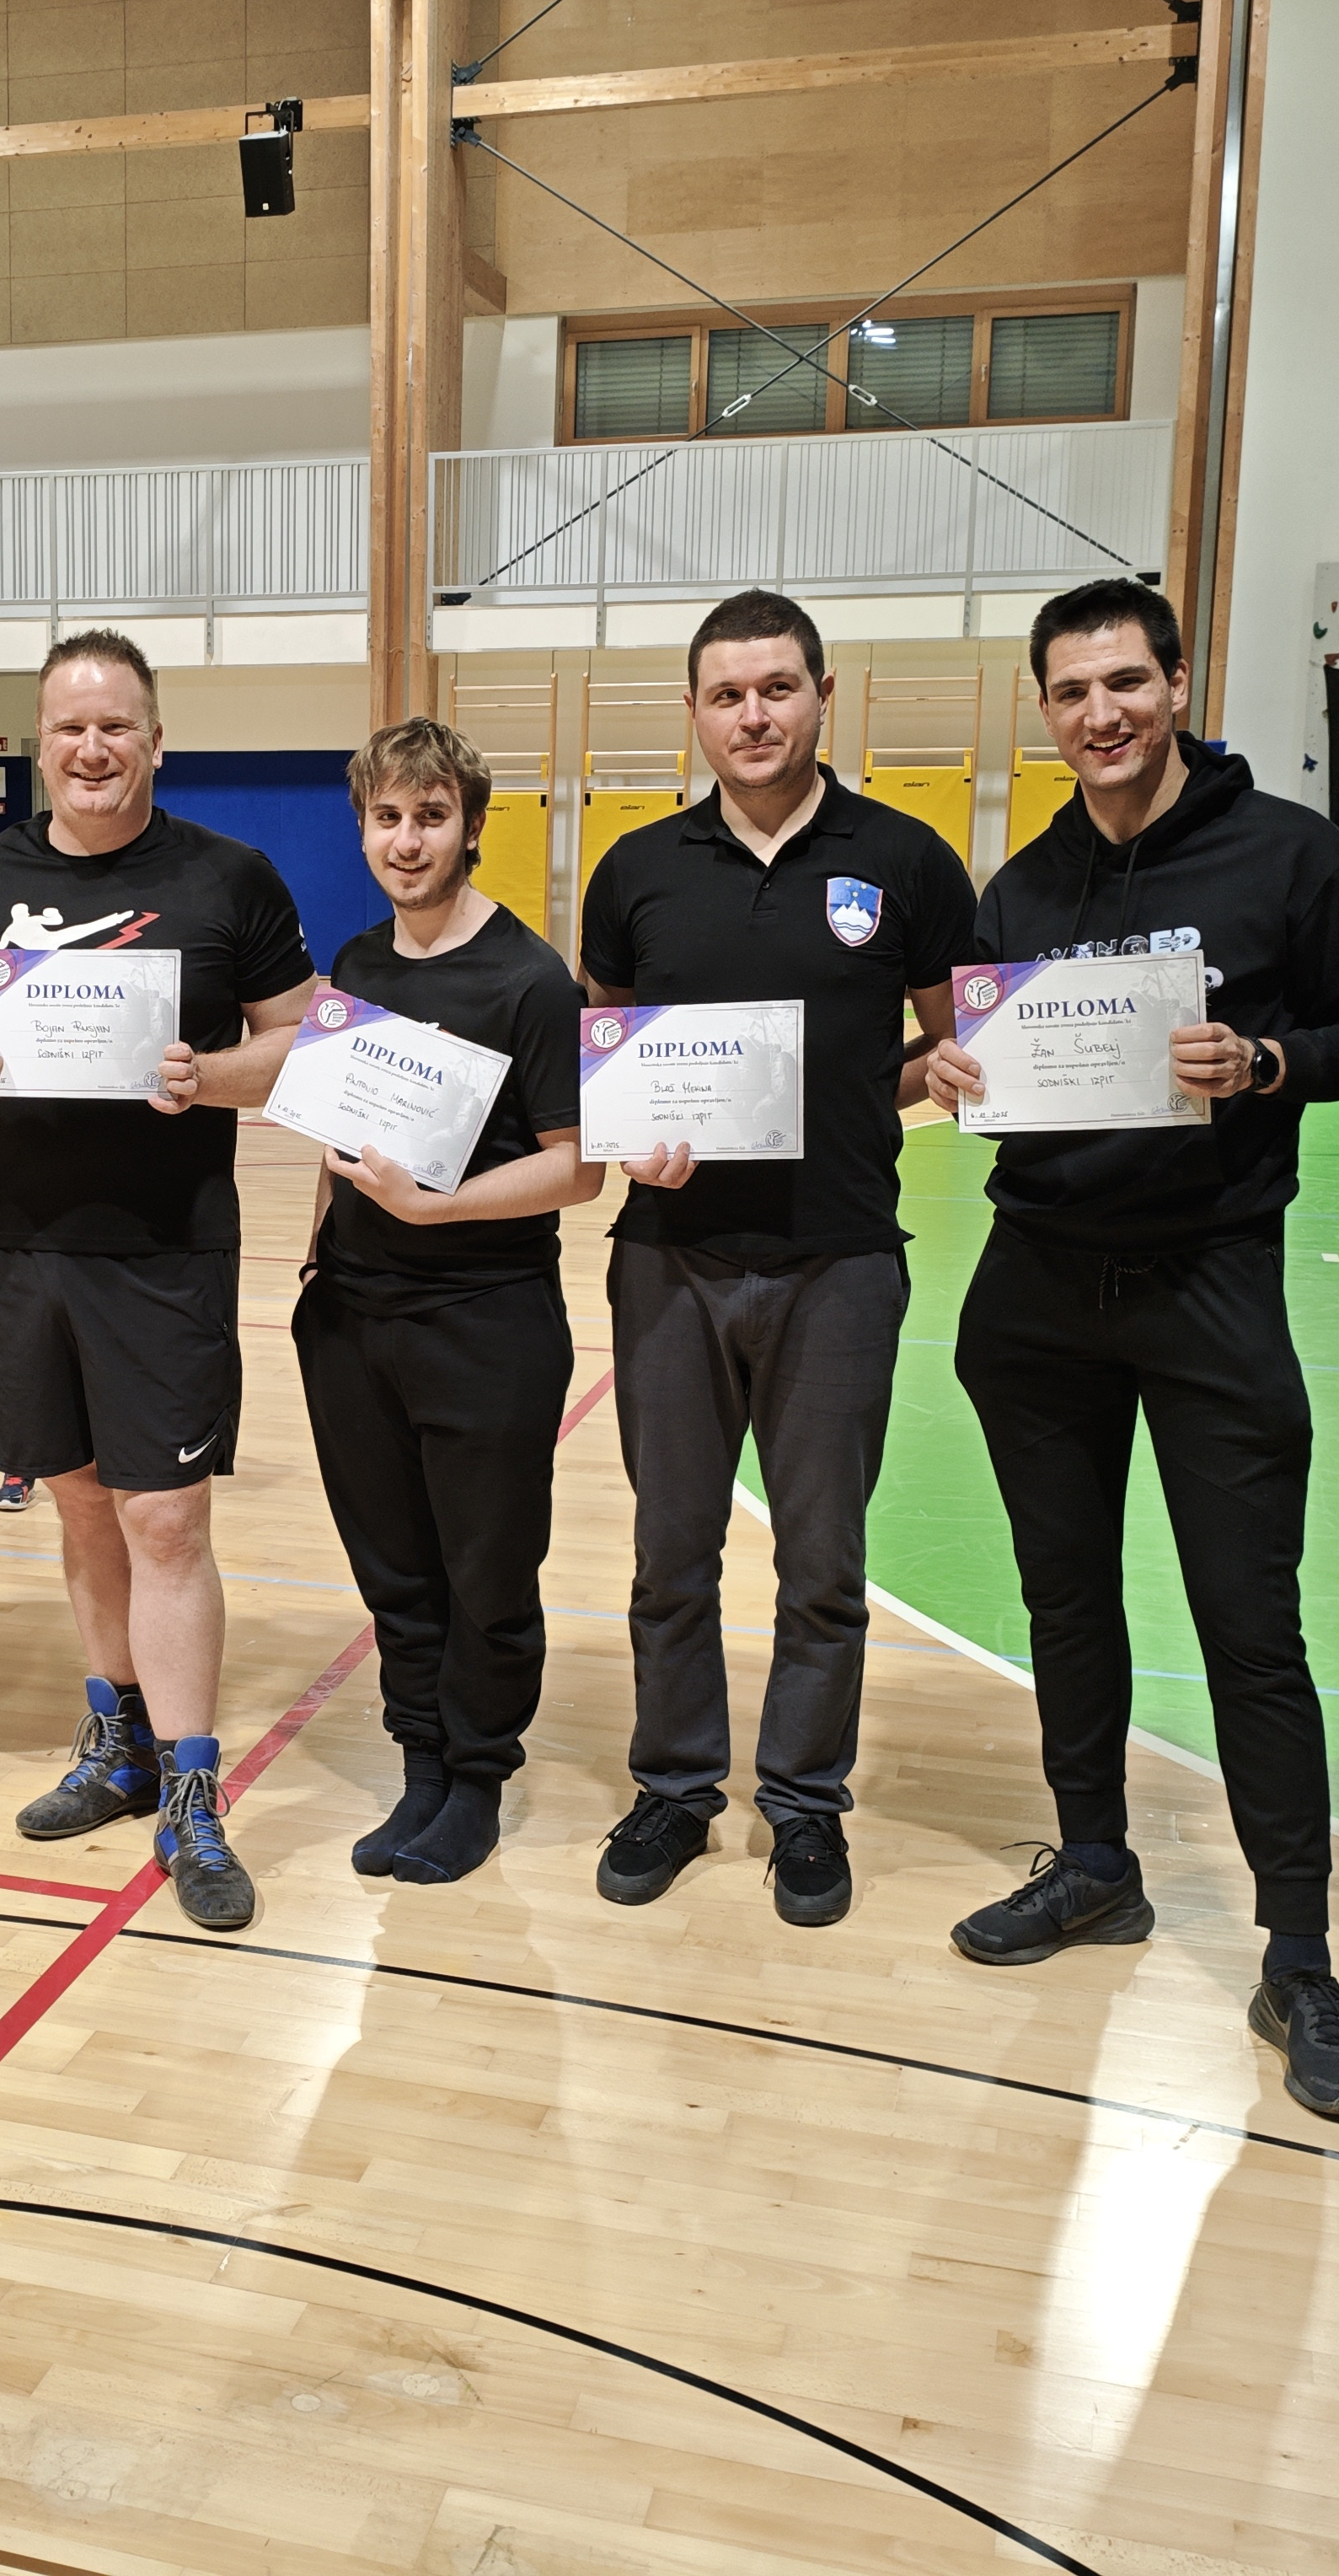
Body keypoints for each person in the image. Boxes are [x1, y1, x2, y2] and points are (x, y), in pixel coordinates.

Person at [922, 577, 1339, 2124]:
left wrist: (1262, 1059)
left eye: (1125, 681)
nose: (1100, 715)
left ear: (1179, 680)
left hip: (1208, 1282)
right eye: (1070, 692)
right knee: (1065, 1601)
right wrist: (949, 1066)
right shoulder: (1024, 884)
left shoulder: (1287, 852)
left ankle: (1299, 1951)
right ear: (1046, 708)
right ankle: (1094, 1863)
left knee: (1248, 1627)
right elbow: (985, 1056)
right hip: (1037, 1288)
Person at [0, 629, 315, 1932]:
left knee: (167, 1523)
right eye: (71, 727)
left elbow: (302, 1036)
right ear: (41, 742)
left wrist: (216, 1075)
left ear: (153, 737)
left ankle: (194, 1790)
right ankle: (117, 1741)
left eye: (117, 726)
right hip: (25, 1249)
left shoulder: (227, 877)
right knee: (81, 1509)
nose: (94, 748)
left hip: (166, 1251)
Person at [576, 588, 975, 1926]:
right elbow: (612, 1057)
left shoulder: (910, 861)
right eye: (727, 694)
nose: (753, 714)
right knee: (669, 1552)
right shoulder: (635, 869)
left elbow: (943, 1049)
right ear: (694, 711)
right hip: (670, 1263)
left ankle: (804, 1805)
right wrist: (638, 1134)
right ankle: (677, 1787)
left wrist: (889, 1090)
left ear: (821, 697)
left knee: (823, 1559)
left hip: (841, 1261)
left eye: (777, 690)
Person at [293, 719, 597, 1886]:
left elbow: (577, 1166)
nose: (406, 839)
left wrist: (433, 1207)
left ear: (472, 826)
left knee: (486, 1568)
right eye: (387, 816)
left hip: (486, 1321)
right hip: (356, 1319)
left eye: (430, 816)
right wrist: (318, 1261)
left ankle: (477, 1775)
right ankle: (420, 1758)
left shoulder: (529, 978)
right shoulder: (359, 967)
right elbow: (333, 1135)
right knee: (396, 1567)